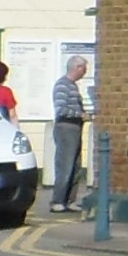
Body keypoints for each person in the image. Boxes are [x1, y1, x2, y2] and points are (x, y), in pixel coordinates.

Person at [47, 56, 91, 213]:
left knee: (76, 166)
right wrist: (80, 114)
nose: (85, 72)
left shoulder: (73, 86)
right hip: (65, 128)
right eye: (84, 68)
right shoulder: (62, 85)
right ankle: (57, 201)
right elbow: (61, 109)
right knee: (65, 165)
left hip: (76, 128)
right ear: (77, 67)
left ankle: (70, 200)